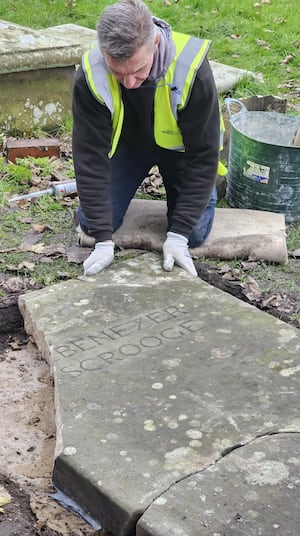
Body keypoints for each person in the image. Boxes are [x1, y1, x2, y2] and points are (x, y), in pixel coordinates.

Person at [72, 0, 225, 277]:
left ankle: (202, 199)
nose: (129, 83)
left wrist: (179, 234)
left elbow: (204, 155)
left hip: (182, 151)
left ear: (155, 42)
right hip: (128, 147)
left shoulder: (192, 69)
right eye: (118, 72)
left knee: (194, 234)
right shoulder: (90, 74)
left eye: (138, 70)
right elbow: (89, 156)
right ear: (104, 51)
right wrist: (104, 241)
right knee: (92, 224)